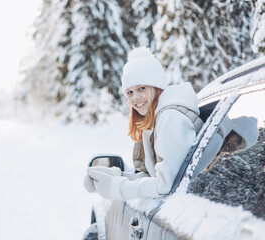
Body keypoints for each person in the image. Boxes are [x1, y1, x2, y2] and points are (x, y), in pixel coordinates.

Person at [83, 46, 202, 200]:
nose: (136, 98)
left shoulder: (171, 118)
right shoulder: (154, 121)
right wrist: (114, 176)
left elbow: (166, 186)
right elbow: (156, 178)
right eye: (130, 92)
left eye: (141, 88)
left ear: (156, 87)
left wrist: (117, 188)